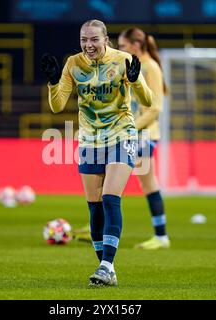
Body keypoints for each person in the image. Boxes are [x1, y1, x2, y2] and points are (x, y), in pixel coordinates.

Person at [40, 19, 153, 286]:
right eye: (83, 40)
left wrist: (135, 81)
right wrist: (53, 81)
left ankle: (106, 264)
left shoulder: (124, 60)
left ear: (105, 39)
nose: (88, 45)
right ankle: (106, 269)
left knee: (110, 197)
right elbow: (57, 106)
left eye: (93, 39)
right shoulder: (73, 64)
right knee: (94, 207)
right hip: (90, 140)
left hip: (121, 133)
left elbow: (149, 101)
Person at [118, 27, 169, 250]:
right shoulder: (136, 66)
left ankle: (161, 236)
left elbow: (155, 108)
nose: (120, 50)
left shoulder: (150, 67)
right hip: (137, 133)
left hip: (144, 135)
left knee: (111, 178)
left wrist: (130, 128)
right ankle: (161, 236)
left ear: (136, 46)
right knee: (147, 184)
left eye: (122, 46)